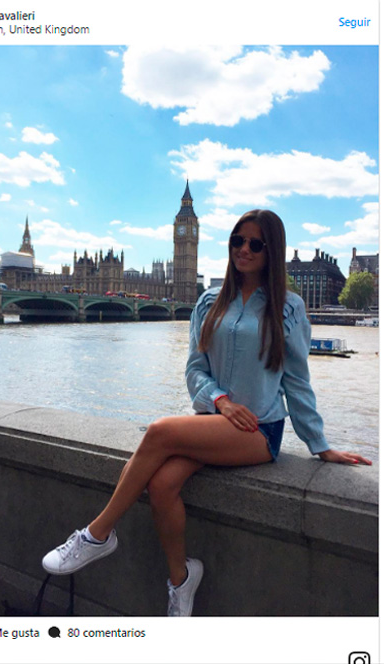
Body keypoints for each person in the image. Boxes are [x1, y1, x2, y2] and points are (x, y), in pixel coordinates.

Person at [42, 209, 372, 616]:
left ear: (272, 251)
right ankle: (181, 581)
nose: (244, 249)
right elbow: (195, 370)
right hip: (214, 421)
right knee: (162, 485)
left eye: (255, 244)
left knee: (159, 431)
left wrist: (319, 444)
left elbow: (297, 382)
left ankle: (97, 534)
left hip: (258, 429)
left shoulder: (289, 308)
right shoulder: (208, 301)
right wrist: (220, 401)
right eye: (237, 241)